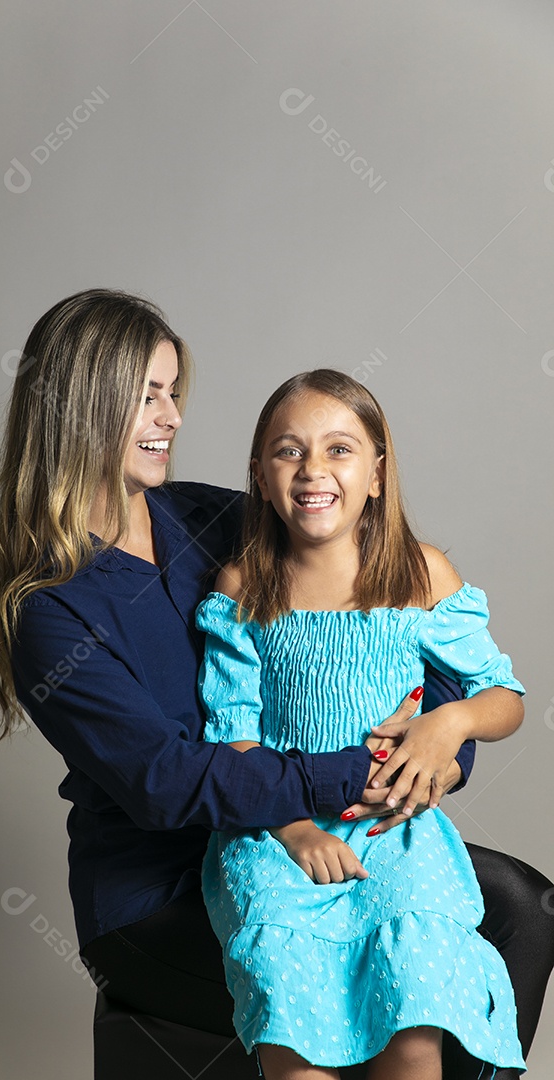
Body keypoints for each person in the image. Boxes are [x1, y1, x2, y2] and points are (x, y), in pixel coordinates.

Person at [0, 289, 553, 1079]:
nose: (172, 417)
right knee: (368, 967)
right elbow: (166, 782)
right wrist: (362, 772)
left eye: (173, 393)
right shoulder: (50, 611)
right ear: (80, 406)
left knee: (521, 905)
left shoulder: (215, 519)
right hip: (163, 891)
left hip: (346, 830)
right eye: (147, 397)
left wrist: (440, 744)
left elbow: (401, 637)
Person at [195, 369, 527, 1078]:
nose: (314, 469)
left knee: (414, 1019)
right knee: (289, 1001)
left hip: (396, 837)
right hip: (277, 833)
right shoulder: (243, 589)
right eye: (289, 451)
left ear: (377, 473)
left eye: (339, 449)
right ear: (259, 475)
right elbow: (233, 736)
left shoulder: (419, 574)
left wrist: (451, 722)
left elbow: (505, 697)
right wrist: (294, 826)